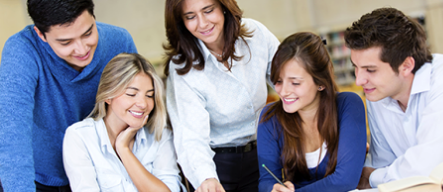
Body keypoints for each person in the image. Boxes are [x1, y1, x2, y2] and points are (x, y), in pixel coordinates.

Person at [0, 0, 137, 191]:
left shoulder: (119, 42)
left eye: (88, 33)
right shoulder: (22, 51)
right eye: (66, 42)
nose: (82, 49)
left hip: (104, 175)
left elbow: (139, 114)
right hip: (42, 179)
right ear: (41, 34)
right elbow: (12, 135)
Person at [344, 7, 443, 189]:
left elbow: (429, 168)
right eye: (355, 67)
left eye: (370, 70)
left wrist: (372, 177)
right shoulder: (378, 93)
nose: (359, 80)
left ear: (406, 65)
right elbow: (383, 163)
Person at [163, 0, 280, 191]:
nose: (202, 24)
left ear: (224, 7)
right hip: (216, 165)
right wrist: (206, 178)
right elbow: (190, 136)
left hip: (263, 154)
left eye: (208, 10)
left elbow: (289, 80)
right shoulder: (182, 68)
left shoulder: (255, 34)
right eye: (190, 17)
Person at [257, 32, 367, 192]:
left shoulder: (347, 105)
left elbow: (345, 180)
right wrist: (273, 188)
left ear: (320, 83)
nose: (283, 91)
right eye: (279, 81)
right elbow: (266, 180)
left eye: (295, 83)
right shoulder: (270, 118)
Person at [62, 53, 183, 192]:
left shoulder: (161, 135)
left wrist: (123, 149)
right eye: (131, 94)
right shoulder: (80, 137)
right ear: (108, 95)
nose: (143, 104)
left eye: (149, 95)